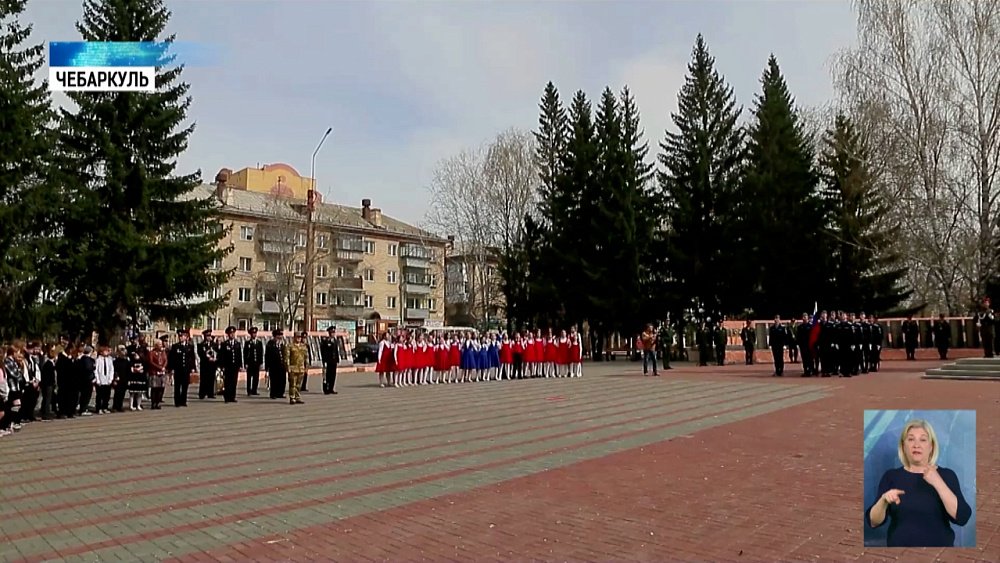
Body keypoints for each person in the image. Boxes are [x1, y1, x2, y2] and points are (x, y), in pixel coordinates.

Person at [866, 419, 972, 547]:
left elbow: (962, 517)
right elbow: (873, 522)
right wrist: (883, 500)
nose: (916, 445)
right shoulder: (891, 477)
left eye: (923, 440)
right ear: (903, 446)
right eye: (911, 439)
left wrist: (938, 482)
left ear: (931, 446)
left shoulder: (947, 475)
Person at [167, 329, 196, 407]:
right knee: (177, 386)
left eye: (182, 336)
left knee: (185, 386)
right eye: (180, 336)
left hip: (186, 369)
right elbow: (171, 358)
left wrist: (193, 367)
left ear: (186, 337)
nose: (181, 338)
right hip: (178, 369)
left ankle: (183, 400)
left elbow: (192, 358)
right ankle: (177, 401)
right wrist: (171, 368)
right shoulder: (175, 346)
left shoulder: (190, 347)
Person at [217, 326, 243, 403]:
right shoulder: (224, 344)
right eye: (230, 333)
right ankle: (227, 397)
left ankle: (232, 397)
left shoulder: (237, 344)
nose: (232, 335)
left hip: (235, 366)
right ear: (228, 334)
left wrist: (240, 365)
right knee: (227, 382)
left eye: (233, 333)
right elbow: (221, 356)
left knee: (234, 382)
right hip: (227, 366)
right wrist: (222, 366)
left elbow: (239, 355)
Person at [266, 329, 289, 399]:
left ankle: (280, 393)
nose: (280, 337)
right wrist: (267, 367)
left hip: (282, 365)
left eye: (281, 335)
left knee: (282, 380)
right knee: (274, 380)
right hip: (273, 366)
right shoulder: (270, 344)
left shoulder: (283, 344)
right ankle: (273, 394)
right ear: (274, 336)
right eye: (278, 336)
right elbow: (267, 356)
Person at [287, 331, 308, 404]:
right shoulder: (290, 346)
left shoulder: (303, 346)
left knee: (299, 384)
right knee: (293, 384)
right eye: (297, 337)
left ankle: (297, 397)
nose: (299, 339)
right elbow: (287, 358)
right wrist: (288, 367)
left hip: (301, 368)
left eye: (300, 337)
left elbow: (306, 357)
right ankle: (292, 397)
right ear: (294, 337)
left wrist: (306, 367)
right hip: (293, 368)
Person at [197, 329, 218, 399]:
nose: (208, 337)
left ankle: (210, 393)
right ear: (204, 336)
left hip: (212, 364)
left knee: (211, 378)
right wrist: (207, 358)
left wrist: (215, 358)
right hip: (205, 364)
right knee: (203, 379)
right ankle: (202, 393)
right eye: (207, 336)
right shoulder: (201, 345)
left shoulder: (214, 344)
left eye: (209, 336)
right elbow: (201, 354)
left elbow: (217, 352)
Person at [243, 326, 264, 396]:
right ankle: (249, 391)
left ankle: (254, 390)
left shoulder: (259, 343)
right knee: (249, 378)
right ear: (250, 334)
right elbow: (245, 353)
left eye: (255, 333)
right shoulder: (247, 343)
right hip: (250, 363)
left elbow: (261, 353)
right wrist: (245, 363)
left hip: (256, 363)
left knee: (256, 377)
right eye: (252, 333)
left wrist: (261, 363)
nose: (254, 334)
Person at [320, 326, 340, 394]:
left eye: (334, 332)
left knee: (333, 375)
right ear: (329, 333)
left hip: (334, 361)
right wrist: (324, 361)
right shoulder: (325, 341)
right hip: (327, 361)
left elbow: (336, 351)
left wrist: (337, 359)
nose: (333, 334)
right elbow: (323, 352)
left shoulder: (335, 340)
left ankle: (331, 388)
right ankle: (326, 389)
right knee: (327, 375)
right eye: (332, 332)